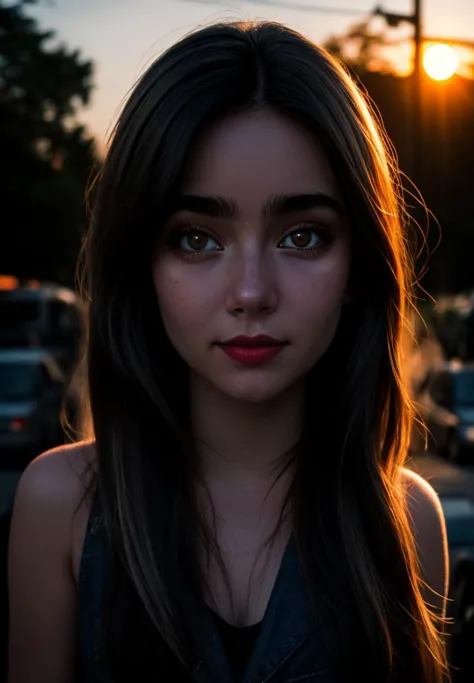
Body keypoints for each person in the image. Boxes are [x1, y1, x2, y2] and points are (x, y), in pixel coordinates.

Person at [7, 20, 450, 683]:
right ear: (141, 263)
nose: (251, 291)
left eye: (302, 236)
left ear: (360, 263)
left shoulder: (406, 518)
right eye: (195, 238)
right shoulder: (61, 506)